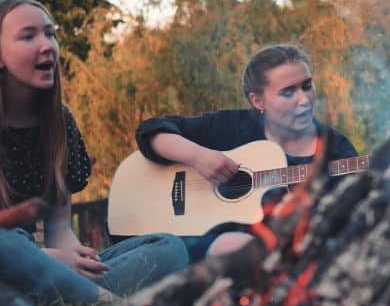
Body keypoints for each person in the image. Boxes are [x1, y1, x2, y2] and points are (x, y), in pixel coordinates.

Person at [0, 0, 189, 306]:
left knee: (168, 248)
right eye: (28, 36)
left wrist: (69, 257)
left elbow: (60, 229)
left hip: (36, 264)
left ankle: (59, 295)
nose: (47, 45)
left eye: (50, 33)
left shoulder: (59, 122)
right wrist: (48, 259)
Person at [135, 44, 359, 262]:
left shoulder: (335, 149)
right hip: (195, 239)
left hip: (286, 257)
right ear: (258, 100)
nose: (304, 99)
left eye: (307, 86)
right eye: (288, 92)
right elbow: (151, 132)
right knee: (236, 245)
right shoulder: (234, 126)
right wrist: (198, 156)